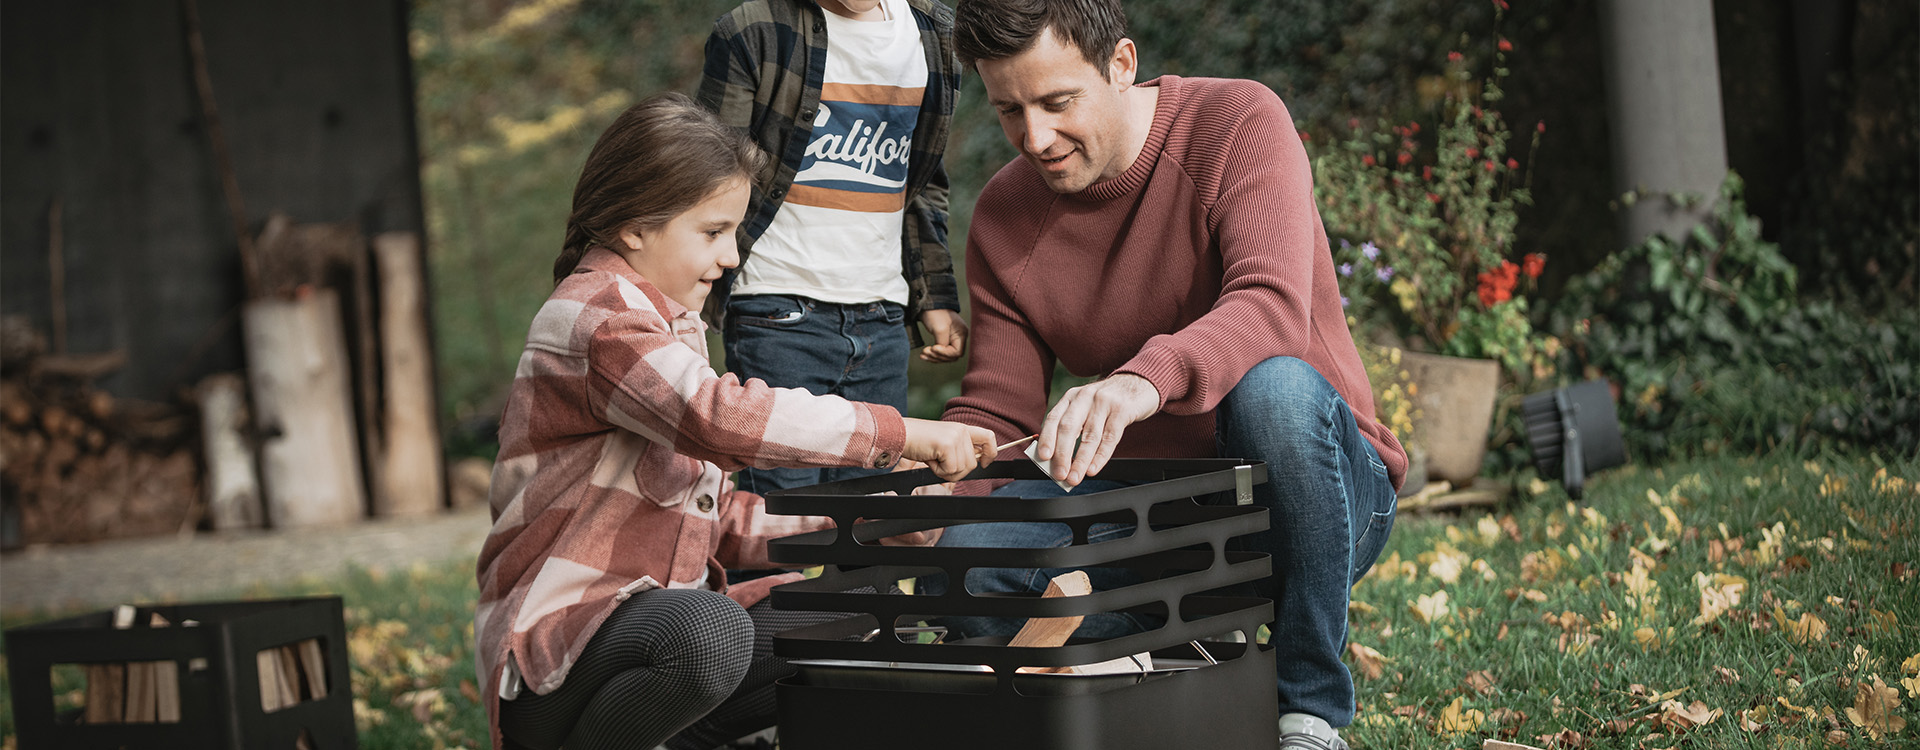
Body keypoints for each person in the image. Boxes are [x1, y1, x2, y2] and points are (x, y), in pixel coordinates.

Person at [930, 2, 1409, 748]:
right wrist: (938, 473)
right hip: (1150, 509)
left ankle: (1305, 713)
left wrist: (1139, 380)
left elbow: (1271, 305)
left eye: (1058, 104)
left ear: (1121, 65)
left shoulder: (1238, 122)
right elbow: (1001, 411)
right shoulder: (1003, 214)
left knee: (1275, 391)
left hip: (1313, 492)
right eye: (1009, 111)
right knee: (966, 556)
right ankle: (1170, 654)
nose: (1036, 139)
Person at [473, 92, 995, 750]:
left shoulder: (671, 326)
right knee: (709, 633)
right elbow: (719, 416)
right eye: (713, 231)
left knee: (861, 604)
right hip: (560, 655)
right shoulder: (597, 316)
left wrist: (866, 521)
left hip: (656, 640)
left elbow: (716, 524)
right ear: (636, 225)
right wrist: (901, 436)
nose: (731, 257)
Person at [695, 0, 968, 500]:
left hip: (882, 318)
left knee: (874, 520)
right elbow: (708, 181)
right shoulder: (753, 32)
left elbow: (924, 181)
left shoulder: (937, 35)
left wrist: (936, 295)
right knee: (778, 523)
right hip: (776, 314)